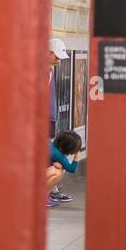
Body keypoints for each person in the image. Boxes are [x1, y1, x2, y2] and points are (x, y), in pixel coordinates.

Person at [48, 39, 72, 203]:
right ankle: (48, 191)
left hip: (49, 118)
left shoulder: (49, 70)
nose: (59, 60)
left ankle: (51, 190)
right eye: (56, 56)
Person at [47, 130, 81, 207]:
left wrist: (62, 165)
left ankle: (50, 193)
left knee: (60, 169)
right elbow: (72, 169)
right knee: (58, 172)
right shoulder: (58, 155)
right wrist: (77, 153)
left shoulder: (51, 145)